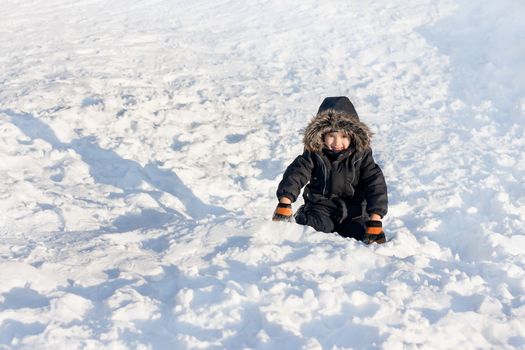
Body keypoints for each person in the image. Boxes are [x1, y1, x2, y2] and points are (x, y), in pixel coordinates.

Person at [272, 96, 388, 244]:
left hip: (355, 213)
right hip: (321, 208)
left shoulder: (361, 156)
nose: (337, 143)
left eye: (344, 136)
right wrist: (285, 200)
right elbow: (296, 173)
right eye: (331, 136)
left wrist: (375, 218)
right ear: (322, 135)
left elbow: (375, 184)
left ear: (353, 136)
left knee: (364, 239)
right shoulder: (314, 153)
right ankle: (304, 217)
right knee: (310, 234)